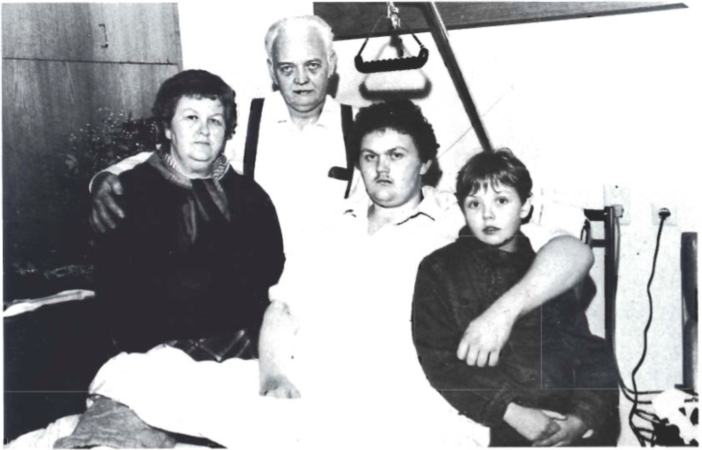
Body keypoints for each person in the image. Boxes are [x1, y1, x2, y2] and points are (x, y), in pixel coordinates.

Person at [87, 13, 594, 373]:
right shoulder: (243, 126)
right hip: (263, 311)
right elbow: (185, 152)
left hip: (340, 312)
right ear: (272, 71)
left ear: (332, 65)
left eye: (312, 66)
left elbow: (535, 223)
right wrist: (106, 178)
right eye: (287, 68)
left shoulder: (365, 131)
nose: (301, 79)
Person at [412, 149, 620, 447]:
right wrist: (512, 412)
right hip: (493, 426)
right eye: (474, 203)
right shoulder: (440, 269)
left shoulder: (545, 271)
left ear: (525, 207)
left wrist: (581, 419)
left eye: (501, 201)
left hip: (563, 422)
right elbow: (440, 362)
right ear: (462, 209)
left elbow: (588, 354)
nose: (487, 214)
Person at [94, 69, 285, 356]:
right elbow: (116, 298)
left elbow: (270, 278)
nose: (204, 130)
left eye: (215, 120)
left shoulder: (251, 196)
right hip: (156, 354)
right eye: (191, 117)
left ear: (227, 131)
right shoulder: (128, 193)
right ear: (167, 128)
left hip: (246, 349)